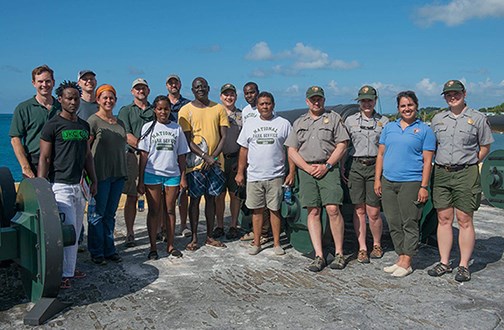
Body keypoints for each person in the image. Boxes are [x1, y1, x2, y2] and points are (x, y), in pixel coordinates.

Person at [428, 80, 494, 282]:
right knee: (444, 218)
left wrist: (473, 162)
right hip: (442, 173)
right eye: (448, 94)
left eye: (455, 93)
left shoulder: (478, 118)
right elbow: (432, 145)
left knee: (465, 219)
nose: (452, 97)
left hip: (466, 172)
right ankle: (445, 262)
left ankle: (464, 265)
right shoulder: (438, 119)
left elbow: (485, 146)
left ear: (464, 93)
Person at [38, 81, 98, 289]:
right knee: (67, 231)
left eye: (76, 98)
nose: (73, 102)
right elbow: (44, 158)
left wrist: (93, 179)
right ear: (61, 99)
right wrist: (41, 186)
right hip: (60, 186)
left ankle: (70, 269)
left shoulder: (83, 125)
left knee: (77, 230)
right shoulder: (52, 125)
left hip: (79, 186)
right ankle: (62, 273)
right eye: (69, 98)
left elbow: (87, 156)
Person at [285, 86, 349, 272]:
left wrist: (327, 165)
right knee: (313, 211)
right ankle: (318, 255)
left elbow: (342, 144)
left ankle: (339, 253)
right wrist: (305, 168)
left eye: (319, 98)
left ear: (323, 100)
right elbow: (291, 149)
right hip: (307, 170)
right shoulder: (299, 123)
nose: (316, 101)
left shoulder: (334, 119)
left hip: (327, 168)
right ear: (307, 101)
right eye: (313, 99)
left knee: (332, 209)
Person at [374, 90, 435, 278]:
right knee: (393, 221)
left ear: (416, 106)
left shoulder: (425, 130)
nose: (406, 109)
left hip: (411, 181)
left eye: (410, 105)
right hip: (389, 180)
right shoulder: (389, 128)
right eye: (403, 106)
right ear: (398, 108)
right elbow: (381, 154)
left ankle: (407, 260)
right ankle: (400, 257)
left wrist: (424, 187)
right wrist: (378, 179)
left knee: (409, 221)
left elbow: (427, 161)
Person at [236, 91, 295, 255]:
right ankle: (257, 243)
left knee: (275, 210)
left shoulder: (283, 124)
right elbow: (243, 149)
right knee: (257, 211)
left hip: (276, 175)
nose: (265, 106)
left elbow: (291, 149)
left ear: (273, 105)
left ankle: (276, 243)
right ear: (258, 106)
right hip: (254, 176)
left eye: (268, 103)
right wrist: (240, 172)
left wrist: (291, 172)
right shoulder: (250, 124)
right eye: (262, 104)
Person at [178, 77, 229, 251]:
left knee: (211, 200)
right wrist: (204, 156)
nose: (201, 89)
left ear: (208, 88)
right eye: (197, 87)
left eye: (203, 86)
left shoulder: (218, 108)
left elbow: (224, 137)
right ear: (192, 90)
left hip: (214, 164)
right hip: (195, 164)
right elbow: (187, 139)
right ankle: (193, 238)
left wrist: (212, 158)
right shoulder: (185, 110)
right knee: (195, 200)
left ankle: (208, 236)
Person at [137, 95, 190, 260]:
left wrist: (183, 177)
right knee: (154, 211)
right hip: (152, 175)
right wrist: (140, 179)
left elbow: (181, 155)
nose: (163, 112)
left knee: (170, 210)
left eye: (166, 109)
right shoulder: (148, 127)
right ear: (155, 110)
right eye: (160, 109)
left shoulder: (176, 128)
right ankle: (153, 247)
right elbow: (144, 155)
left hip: (172, 175)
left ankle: (170, 245)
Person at [343, 86, 389, 263]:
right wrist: (341, 168)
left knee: (374, 211)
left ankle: (376, 244)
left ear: (375, 100)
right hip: (356, 165)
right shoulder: (350, 121)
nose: (367, 103)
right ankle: (362, 247)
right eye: (363, 100)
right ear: (359, 102)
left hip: (375, 167)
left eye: (370, 100)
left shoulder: (384, 122)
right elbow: (344, 145)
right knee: (359, 209)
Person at [87, 84, 127, 265]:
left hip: (118, 174)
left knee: (110, 214)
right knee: (97, 214)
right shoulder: (93, 121)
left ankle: (109, 249)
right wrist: (88, 175)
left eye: (111, 98)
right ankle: (97, 252)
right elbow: (86, 150)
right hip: (100, 175)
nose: (108, 101)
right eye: (105, 98)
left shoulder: (120, 123)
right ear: (98, 100)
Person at [118, 78, 154, 247]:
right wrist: (143, 146)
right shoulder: (126, 111)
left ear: (148, 91)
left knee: (155, 196)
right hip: (133, 156)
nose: (140, 91)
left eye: (143, 88)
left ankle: (157, 229)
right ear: (132, 91)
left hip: (154, 158)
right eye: (137, 88)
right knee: (132, 196)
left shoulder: (155, 109)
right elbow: (127, 135)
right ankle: (130, 232)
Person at [9, 65, 61, 178]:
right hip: (34, 163)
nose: (44, 85)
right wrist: (25, 167)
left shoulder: (61, 108)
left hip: (59, 162)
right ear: (34, 83)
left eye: (47, 81)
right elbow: (15, 139)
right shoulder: (23, 108)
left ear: (53, 82)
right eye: (40, 81)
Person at [239, 81, 272, 243]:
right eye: (246, 93)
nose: (249, 96)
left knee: (265, 202)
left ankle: (265, 232)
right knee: (252, 200)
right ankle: (255, 229)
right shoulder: (245, 111)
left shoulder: (265, 109)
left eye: (252, 92)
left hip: (266, 162)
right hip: (252, 160)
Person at [213, 83, 243, 240]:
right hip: (219, 159)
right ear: (221, 97)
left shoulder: (241, 115)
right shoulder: (215, 112)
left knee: (234, 194)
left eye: (231, 94)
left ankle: (233, 225)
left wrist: (241, 162)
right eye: (226, 94)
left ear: (236, 97)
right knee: (219, 194)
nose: (229, 97)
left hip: (235, 158)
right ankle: (219, 225)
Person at [165, 74, 191, 238]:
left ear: (180, 85)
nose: (173, 85)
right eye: (170, 83)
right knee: (165, 195)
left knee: (183, 191)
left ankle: (183, 224)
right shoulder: (162, 104)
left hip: (183, 151)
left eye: (176, 83)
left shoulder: (187, 104)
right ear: (167, 86)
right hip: (165, 154)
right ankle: (165, 226)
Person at [76, 69, 99, 252]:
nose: (89, 82)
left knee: (94, 205)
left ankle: (93, 242)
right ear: (79, 83)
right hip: (78, 161)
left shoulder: (100, 104)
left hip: (97, 161)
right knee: (77, 203)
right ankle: (77, 238)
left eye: (91, 79)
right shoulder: (75, 103)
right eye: (85, 79)